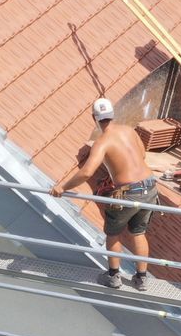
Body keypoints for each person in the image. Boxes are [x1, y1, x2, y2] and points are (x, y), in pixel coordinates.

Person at [52, 98, 159, 290]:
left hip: (128, 194)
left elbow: (86, 172)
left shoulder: (101, 142)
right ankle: (141, 278)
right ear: (113, 114)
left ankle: (113, 276)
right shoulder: (129, 131)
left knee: (113, 233)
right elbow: (141, 155)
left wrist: (62, 187)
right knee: (138, 232)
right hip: (150, 187)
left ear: (94, 118)